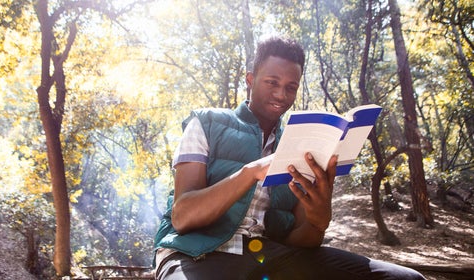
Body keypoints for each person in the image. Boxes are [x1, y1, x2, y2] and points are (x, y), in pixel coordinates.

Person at [153, 37, 425, 280]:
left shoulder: (300, 143)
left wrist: (318, 220)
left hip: (268, 255)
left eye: (290, 87)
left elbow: (301, 240)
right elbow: (183, 217)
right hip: (196, 253)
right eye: (272, 83)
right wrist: (249, 172)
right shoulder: (207, 123)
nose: (281, 95)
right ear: (250, 80)